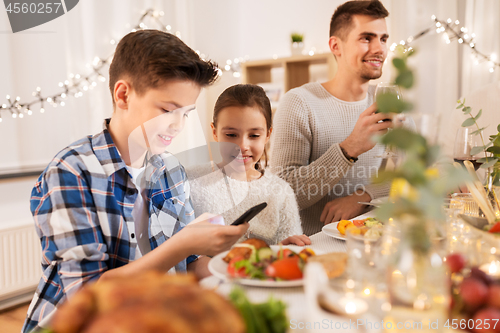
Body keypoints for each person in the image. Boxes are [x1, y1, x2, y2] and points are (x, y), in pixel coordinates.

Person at [23, 30, 249, 333]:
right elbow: (87, 294)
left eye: (186, 113)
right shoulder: (70, 172)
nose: (177, 125)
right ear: (123, 95)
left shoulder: (170, 170)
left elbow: (191, 264)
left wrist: (243, 271)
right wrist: (181, 245)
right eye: (168, 110)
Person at [271, 0, 400, 235]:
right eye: (366, 38)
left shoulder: (386, 101)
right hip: (313, 248)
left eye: (383, 39)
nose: (379, 48)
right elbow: (281, 195)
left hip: (371, 241)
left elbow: (416, 173)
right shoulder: (299, 103)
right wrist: (348, 149)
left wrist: (364, 196)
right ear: (336, 46)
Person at [187, 84, 311, 246]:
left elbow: (288, 252)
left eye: (254, 135)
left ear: (268, 135)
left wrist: (285, 247)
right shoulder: (190, 180)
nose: (242, 145)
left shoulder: (280, 192)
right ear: (215, 132)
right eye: (231, 135)